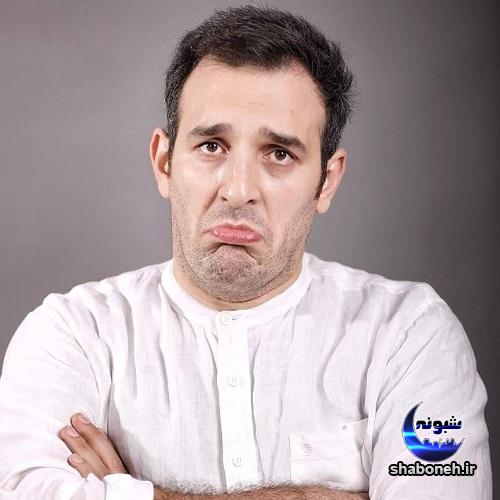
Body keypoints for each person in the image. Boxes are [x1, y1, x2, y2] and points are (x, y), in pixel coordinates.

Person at [0, 5, 492, 500]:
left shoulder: (409, 333)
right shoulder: (72, 335)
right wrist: (315, 496)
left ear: (326, 181)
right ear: (164, 162)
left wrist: (130, 493)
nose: (238, 191)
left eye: (279, 154)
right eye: (212, 146)